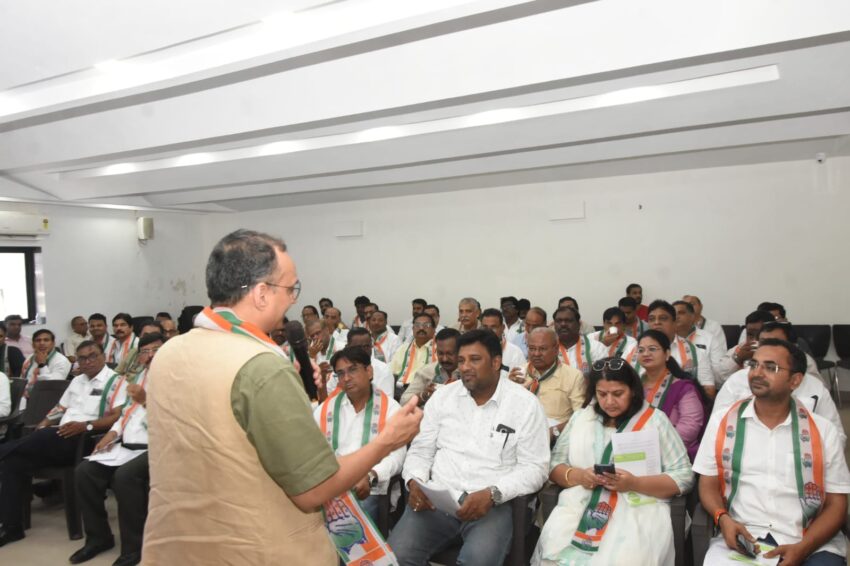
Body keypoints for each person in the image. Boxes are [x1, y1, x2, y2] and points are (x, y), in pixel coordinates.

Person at [142, 229, 422, 564]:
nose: (293, 300)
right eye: (291, 288)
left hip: (176, 545)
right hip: (253, 550)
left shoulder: (169, 352)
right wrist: (388, 440)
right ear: (261, 293)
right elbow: (315, 489)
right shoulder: (262, 367)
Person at [388, 329, 549, 566]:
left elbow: (535, 468)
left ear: (496, 362)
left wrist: (493, 493)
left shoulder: (525, 405)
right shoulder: (443, 397)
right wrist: (415, 482)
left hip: (492, 506)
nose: (465, 367)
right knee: (395, 557)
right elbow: (421, 451)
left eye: (474, 359)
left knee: (477, 561)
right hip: (438, 500)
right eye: (461, 360)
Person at [694, 339, 850, 566]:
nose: (757, 373)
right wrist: (722, 517)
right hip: (745, 536)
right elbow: (707, 483)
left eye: (770, 367)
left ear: (795, 380)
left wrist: (803, 549)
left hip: (809, 540)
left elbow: (837, 504)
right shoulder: (722, 422)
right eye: (754, 364)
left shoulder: (823, 430)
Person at [532, 357, 693, 565]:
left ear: (633, 390)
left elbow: (684, 476)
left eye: (618, 394)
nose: (609, 402)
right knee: (556, 551)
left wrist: (635, 483)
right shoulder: (581, 418)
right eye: (602, 394)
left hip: (639, 509)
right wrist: (580, 476)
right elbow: (554, 465)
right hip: (581, 505)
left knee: (626, 557)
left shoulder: (654, 420)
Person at [0, 340, 125, 546]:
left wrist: (86, 426)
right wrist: (44, 423)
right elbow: (60, 408)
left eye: (93, 356)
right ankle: (12, 528)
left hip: (86, 439)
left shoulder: (117, 381)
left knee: (40, 438)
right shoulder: (76, 381)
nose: (88, 361)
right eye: (82, 358)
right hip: (57, 437)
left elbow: (117, 416)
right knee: (13, 462)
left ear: (103, 356)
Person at [71, 333, 164, 566]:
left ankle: (134, 547)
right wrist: (111, 434)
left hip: (157, 447)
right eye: (145, 351)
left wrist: (145, 400)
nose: (150, 356)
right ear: (139, 357)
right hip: (126, 445)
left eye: (156, 350)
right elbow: (125, 415)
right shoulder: (138, 377)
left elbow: (173, 421)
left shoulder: (177, 380)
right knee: (84, 472)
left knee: (125, 477)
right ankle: (99, 538)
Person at [712, 321, 845, 446]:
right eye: (763, 343)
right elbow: (716, 430)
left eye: (776, 343)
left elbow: (836, 437)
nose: (768, 349)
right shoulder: (736, 381)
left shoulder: (814, 387)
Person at [314, 347, 406, 523]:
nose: (346, 378)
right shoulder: (326, 408)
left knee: (347, 521)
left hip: (368, 488)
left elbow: (397, 456)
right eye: (340, 373)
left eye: (353, 370)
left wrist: (372, 475)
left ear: (369, 371)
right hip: (330, 484)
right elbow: (311, 448)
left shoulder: (390, 408)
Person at [636, 330, 708, 460]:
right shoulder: (633, 386)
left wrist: (654, 449)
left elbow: (690, 426)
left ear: (667, 354)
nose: (646, 353)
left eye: (652, 349)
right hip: (636, 453)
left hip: (673, 455)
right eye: (641, 350)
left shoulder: (683, 388)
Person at [515, 327, 585, 442]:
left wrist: (555, 431)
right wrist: (510, 387)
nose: (536, 354)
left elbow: (581, 416)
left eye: (542, 349)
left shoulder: (573, 376)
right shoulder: (518, 373)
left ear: (556, 349)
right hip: (520, 435)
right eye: (532, 348)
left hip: (556, 439)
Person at [645, 300, 716, 397]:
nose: (657, 322)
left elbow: (709, 390)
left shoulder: (695, 352)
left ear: (674, 323)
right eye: (652, 319)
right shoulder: (635, 351)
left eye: (663, 318)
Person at [325, 328, 395, 397]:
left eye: (366, 346)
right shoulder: (341, 369)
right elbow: (328, 398)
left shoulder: (383, 370)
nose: (363, 350)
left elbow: (385, 401)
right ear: (347, 347)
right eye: (357, 347)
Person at [401, 328, 461, 406]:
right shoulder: (426, 371)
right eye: (440, 353)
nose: (444, 359)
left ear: (460, 351)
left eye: (450, 354)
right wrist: (423, 395)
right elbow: (404, 402)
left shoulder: (469, 371)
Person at [714, 310, 777, 384]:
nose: (754, 339)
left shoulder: (779, 351)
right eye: (750, 334)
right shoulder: (740, 349)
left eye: (759, 335)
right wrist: (737, 359)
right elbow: (718, 379)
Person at [19, 329, 72, 410]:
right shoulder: (30, 358)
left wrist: (42, 365)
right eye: (38, 340)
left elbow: (53, 386)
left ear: (53, 343)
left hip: (49, 401)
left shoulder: (61, 361)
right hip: (26, 399)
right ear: (33, 344)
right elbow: (22, 380)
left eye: (46, 340)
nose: (42, 343)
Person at [673, 300, 725, 380]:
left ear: (692, 316)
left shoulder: (709, 338)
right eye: (673, 314)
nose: (676, 316)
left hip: (705, 384)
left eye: (681, 313)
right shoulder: (667, 340)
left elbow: (719, 372)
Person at [553, 307, 608, 377]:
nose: (563, 324)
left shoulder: (597, 348)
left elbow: (604, 377)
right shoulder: (547, 348)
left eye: (568, 321)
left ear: (579, 324)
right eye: (558, 321)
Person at [390, 313, 438, 387]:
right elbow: (392, 372)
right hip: (402, 388)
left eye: (426, 325)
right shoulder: (403, 348)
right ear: (412, 329)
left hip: (429, 389)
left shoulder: (440, 349)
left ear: (434, 329)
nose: (421, 328)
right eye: (417, 325)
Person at [480, 308, 527, 374]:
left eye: (493, 327)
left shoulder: (515, 353)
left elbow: (521, 377)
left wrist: (508, 379)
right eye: (485, 327)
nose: (489, 331)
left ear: (502, 328)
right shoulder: (473, 350)